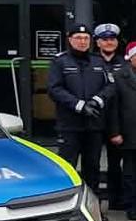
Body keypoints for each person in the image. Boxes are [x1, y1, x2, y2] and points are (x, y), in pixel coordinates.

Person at [47, 24, 114, 196]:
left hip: (94, 124)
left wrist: (96, 101)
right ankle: (65, 205)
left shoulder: (98, 61)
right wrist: (79, 105)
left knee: (92, 167)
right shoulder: (60, 61)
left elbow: (110, 86)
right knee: (67, 166)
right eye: (78, 38)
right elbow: (55, 89)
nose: (82, 42)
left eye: (86, 38)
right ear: (70, 39)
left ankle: (93, 207)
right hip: (70, 125)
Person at [105, 40, 136, 221]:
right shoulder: (119, 76)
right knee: (130, 173)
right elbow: (113, 108)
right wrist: (115, 132)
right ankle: (131, 207)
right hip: (128, 133)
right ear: (130, 57)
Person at [92, 24, 128, 210]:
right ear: (98, 42)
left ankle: (116, 200)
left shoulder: (124, 63)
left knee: (115, 163)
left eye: (112, 39)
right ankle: (94, 202)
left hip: (118, 121)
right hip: (95, 119)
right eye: (105, 39)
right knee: (94, 163)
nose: (109, 42)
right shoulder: (91, 61)